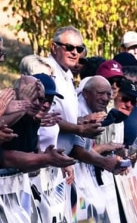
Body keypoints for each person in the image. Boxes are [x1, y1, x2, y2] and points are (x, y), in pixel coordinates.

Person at [41, 26, 103, 154]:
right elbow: (46, 117)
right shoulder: (46, 70)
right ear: (54, 47)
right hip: (45, 155)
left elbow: (62, 115)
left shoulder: (68, 75)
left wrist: (83, 120)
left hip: (61, 158)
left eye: (79, 49)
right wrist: (79, 129)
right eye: (69, 47)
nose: (75, 53)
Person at [0, 74, 75, 173]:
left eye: (40, 99)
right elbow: (5, 157)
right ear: (15, 92)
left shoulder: (32, 120)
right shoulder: (3, 115)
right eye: (32, 96)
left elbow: (29, 154)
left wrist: (47, 158)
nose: (37, 103)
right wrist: (45, 159)